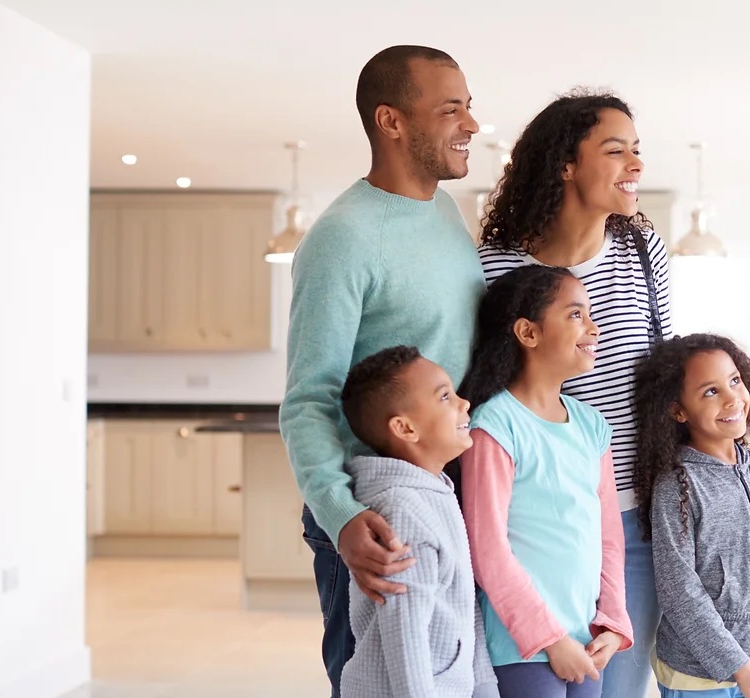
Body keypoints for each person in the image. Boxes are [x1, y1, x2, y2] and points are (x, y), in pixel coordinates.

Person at [278, 44, 483, 696]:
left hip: (440, 494)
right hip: (375, 517)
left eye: (469, 108)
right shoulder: (342, 237)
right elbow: (309, 397)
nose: (472, 125)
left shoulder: (446, 212)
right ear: (392, 121)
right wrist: (339, 514)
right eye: (451, 109)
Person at [478, 88, 671, 697]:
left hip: (629, 526)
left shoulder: (645, 253)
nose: (636, 166)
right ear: (565, 163)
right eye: (616, 151)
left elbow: (663, 378)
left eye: (637, 151)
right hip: (529, 536)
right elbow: (481, 385)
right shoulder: (492, 267)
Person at [458, 265, 635, 697]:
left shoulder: (593, 426)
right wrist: (549, 639)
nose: (593, 328)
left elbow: (608, 538)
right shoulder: (494, 425)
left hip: (587, 640)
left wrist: (611, 620)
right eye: (576, 315)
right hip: (525, 647)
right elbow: (487, 550)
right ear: (528, 333)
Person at [631, 334, 750, 698]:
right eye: (710, 391)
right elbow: (680, 592)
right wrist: (738, 669)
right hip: (698, 678)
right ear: (678, 410)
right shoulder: (678, 484)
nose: (731, 398)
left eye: (735, 381)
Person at [336, 346, 495, 697]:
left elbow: (463, 604)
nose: (463, 403)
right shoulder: (403, 510)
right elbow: (404, 633)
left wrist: (484, 687)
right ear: (405, 428)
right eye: (445, 396)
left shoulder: (435, 492)